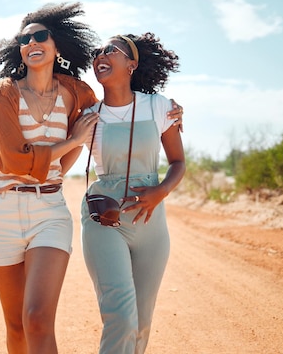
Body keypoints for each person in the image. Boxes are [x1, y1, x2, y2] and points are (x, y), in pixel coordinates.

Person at [0, 2, 184, 353]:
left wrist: (173, 114)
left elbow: (128, 115)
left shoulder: (86, 96)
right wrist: (69, 143)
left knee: (55, 319)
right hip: (30, 212)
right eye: (25, 38)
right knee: (22, 324)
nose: (32, 42)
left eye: (40, 36)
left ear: (57, 45)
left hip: (77, 213)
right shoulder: (24, 98)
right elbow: (18, 157)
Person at [80, 32, 185, 354]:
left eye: (111, 50)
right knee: (121, 318)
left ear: (132, 64)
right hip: (105, 219)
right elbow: (61, 152)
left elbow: (178, 162)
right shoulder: (88, 116)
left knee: (141, 322)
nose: (102, 55)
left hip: (151, 221)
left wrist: (161, 191)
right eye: (98, 52)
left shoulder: (159, 106)